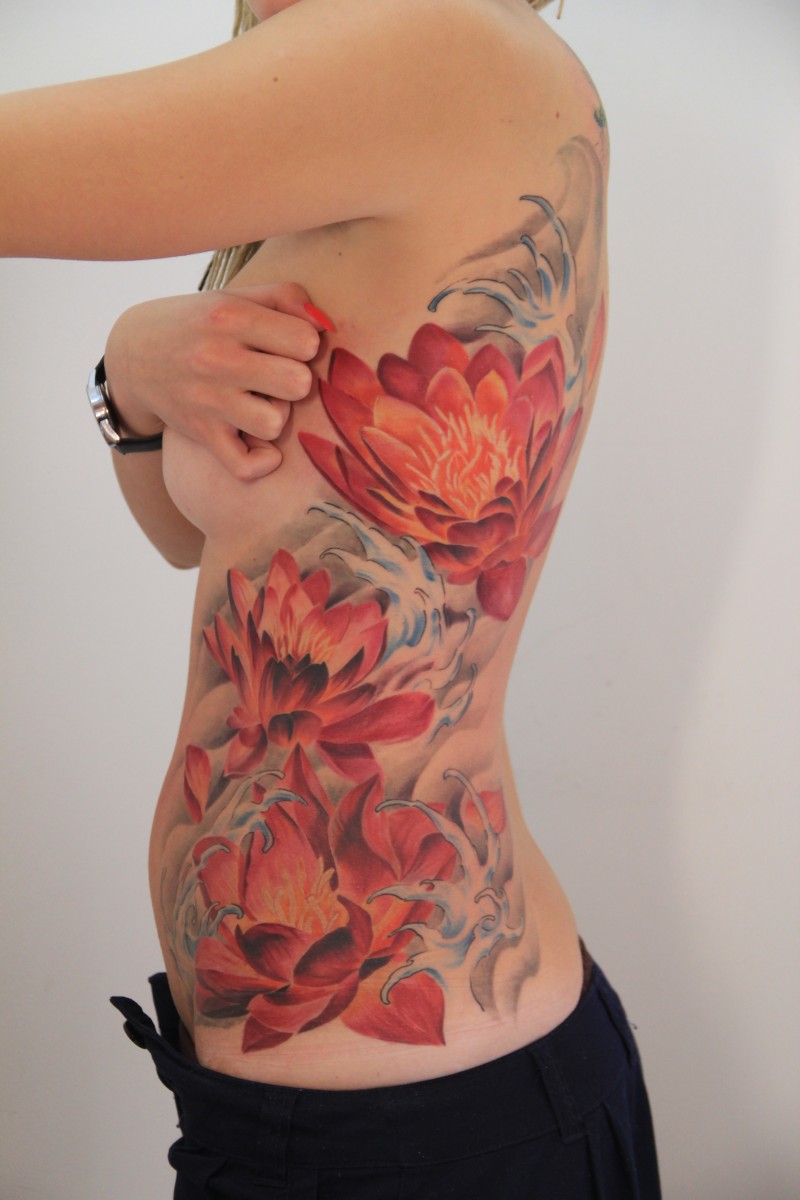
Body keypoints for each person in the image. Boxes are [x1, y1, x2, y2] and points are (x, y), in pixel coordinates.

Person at [1, 0, 662, 1196]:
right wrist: (129, 379)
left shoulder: (434, 42)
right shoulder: (343, 132)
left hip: (434, 1128)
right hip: (284, 1113)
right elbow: (187, 535)